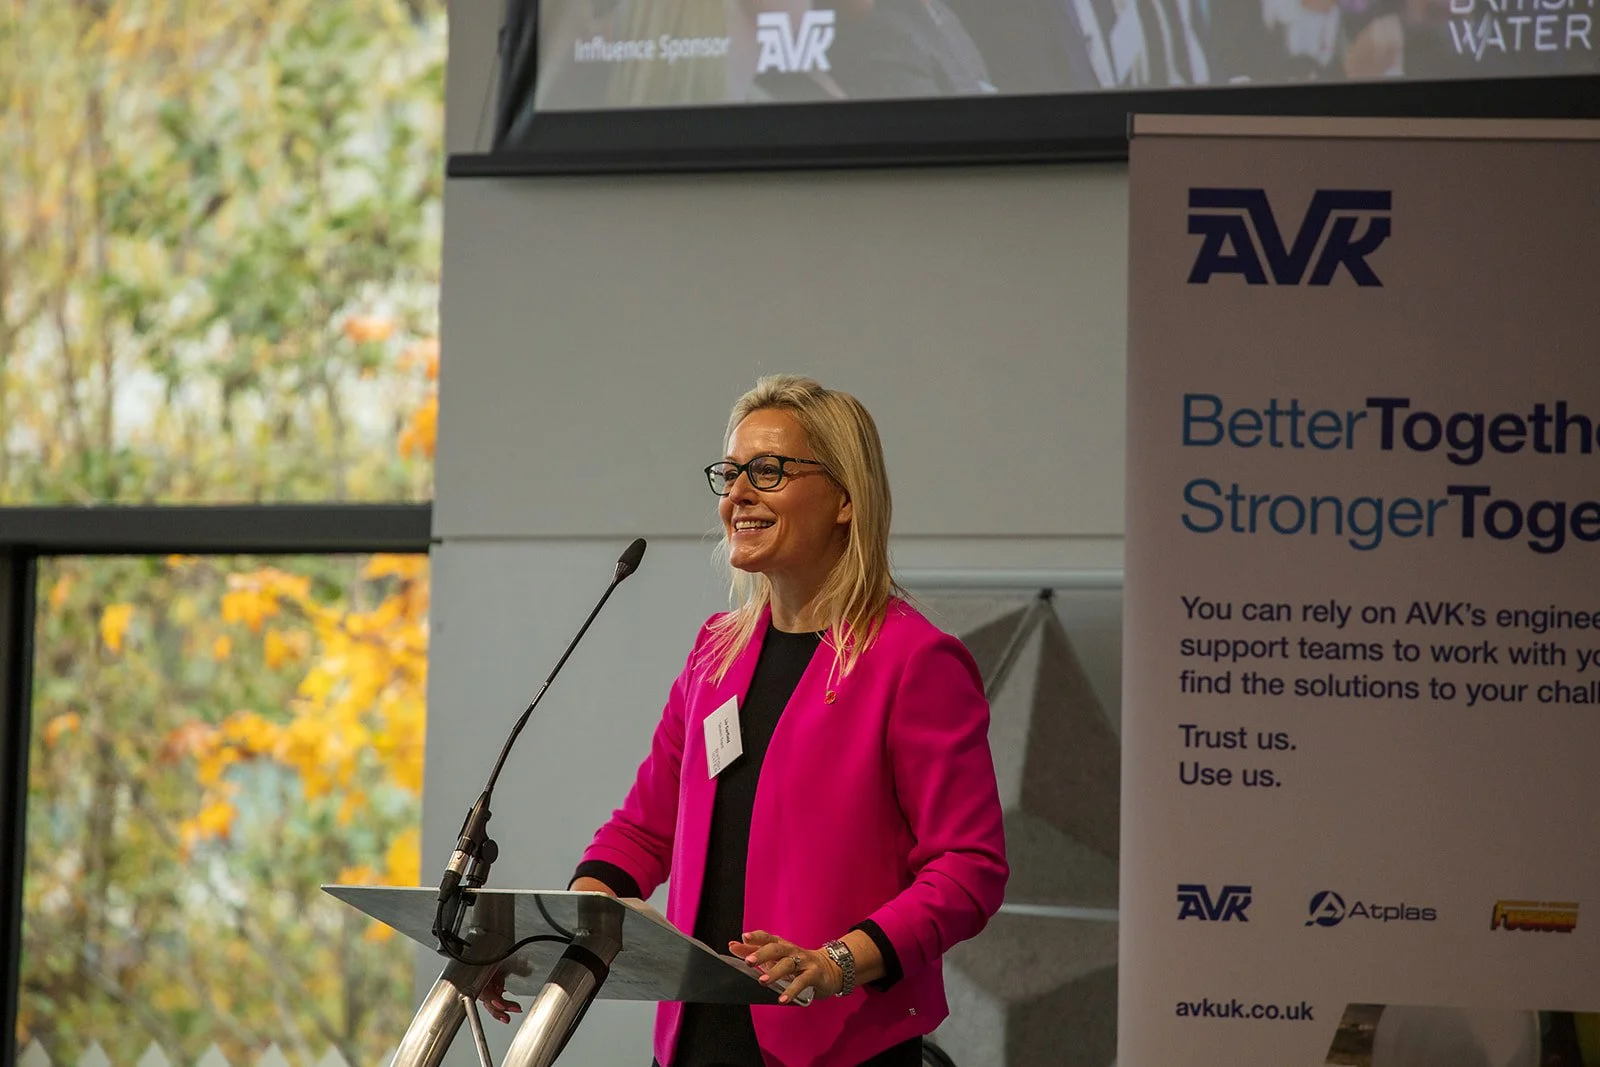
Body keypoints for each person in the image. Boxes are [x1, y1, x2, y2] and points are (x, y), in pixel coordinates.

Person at [485, 375, 1009, 1066]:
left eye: (769, 471)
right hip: (695, 1039)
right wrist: (554, 934)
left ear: (847, 498)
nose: (736, 495)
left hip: (837, 1043)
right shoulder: (715, 653)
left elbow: (968, 866)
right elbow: (644, 829)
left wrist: (839, 961)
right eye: (730, 473)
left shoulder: (912, 661)